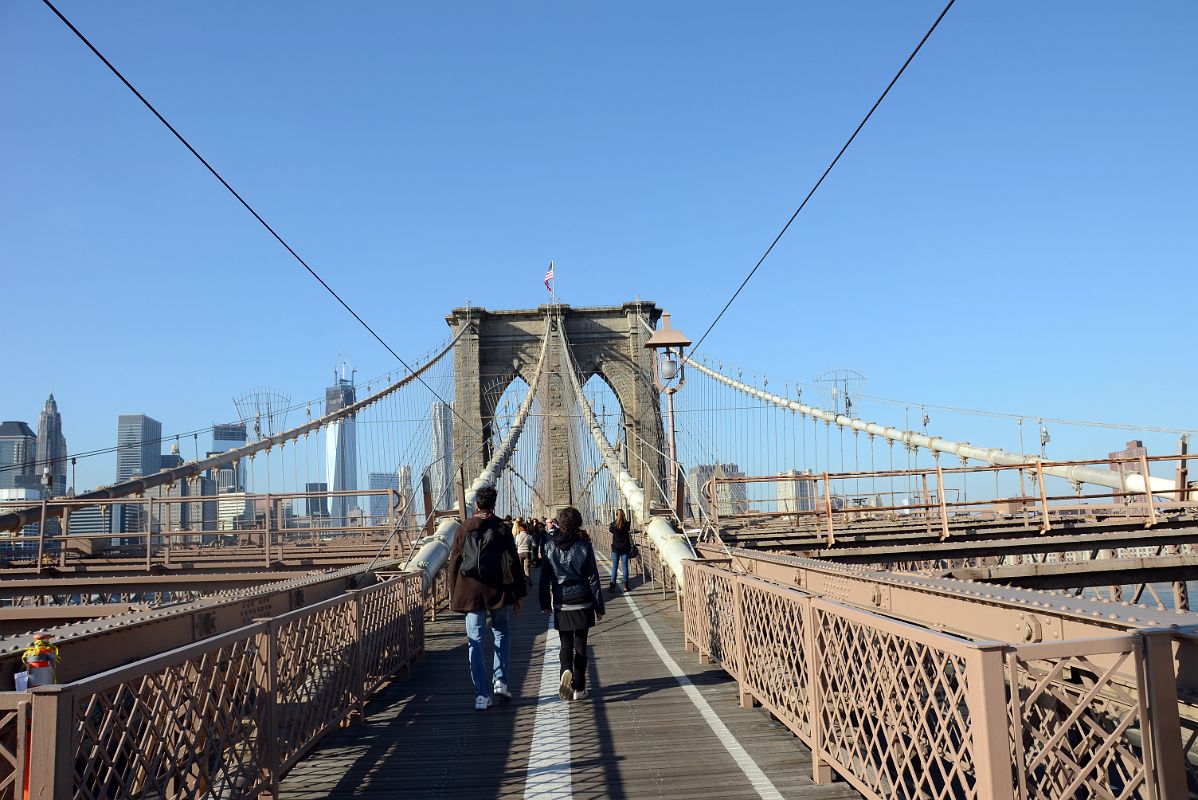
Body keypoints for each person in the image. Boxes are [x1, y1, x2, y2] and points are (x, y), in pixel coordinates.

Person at [448, 486, 526, 711]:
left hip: (470, 594)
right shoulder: (501, 528)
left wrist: (455, 595)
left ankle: (481, 695)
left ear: (475, 504)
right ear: (494, 504)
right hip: (498, 592)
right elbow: (513, 562)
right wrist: (518, 594)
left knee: (475, 642)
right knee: (501, 632)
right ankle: (500, 682)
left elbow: (453, 564)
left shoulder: (463, 528)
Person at [539, 506, 605, 702]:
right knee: (581, 646)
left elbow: (544, 579)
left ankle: (565, 671)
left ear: (560, 523)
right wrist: (599, 607)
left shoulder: (549, 547)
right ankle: (579, 688)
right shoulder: (585, 546)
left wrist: (544, 602)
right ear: (578, 524)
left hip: (562, 602)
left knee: (565, 644)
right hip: (583, 602)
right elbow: (593, 579)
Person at [607, 508, 633, 594]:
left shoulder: (613, 525)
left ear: (616, 515)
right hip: (625, 548)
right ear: (624, 515)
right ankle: (626, 586)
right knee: (625, 566)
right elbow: (627, 529)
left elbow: (610, 530)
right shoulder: (627, 524)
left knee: (615, 567)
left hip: (615, 549)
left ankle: (612, 587)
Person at [515, 519, 533, 584]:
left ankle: (521, 580)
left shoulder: (517, 536)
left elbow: (516, 545)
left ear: (520, 529)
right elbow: (534, 544)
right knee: (527, 568)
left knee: (520, 567)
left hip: (519, 553)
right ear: (526, 529)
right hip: (527, 553)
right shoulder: (529, 536)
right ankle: (529, 580)